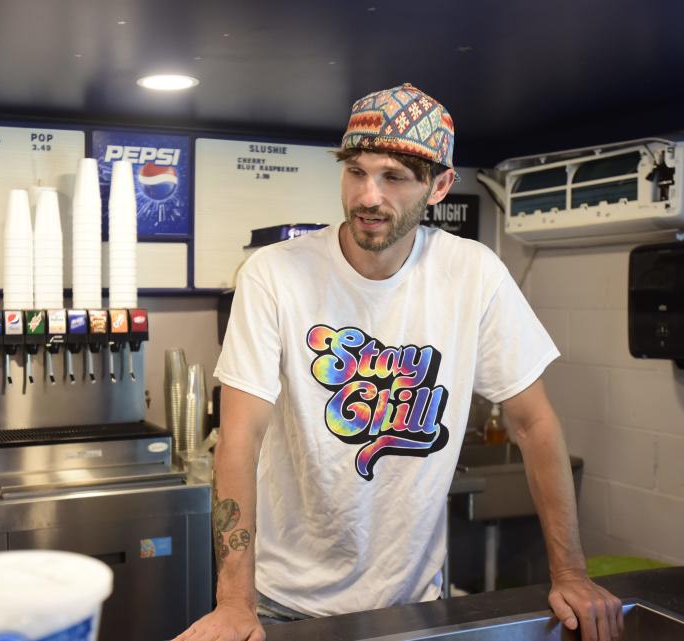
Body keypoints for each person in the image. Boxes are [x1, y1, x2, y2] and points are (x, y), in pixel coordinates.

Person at [173, 84, 624, 641]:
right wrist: (234, 601)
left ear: (438, 186)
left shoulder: (473, 274)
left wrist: (571, 574)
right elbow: (240, 435)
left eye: (393, 177)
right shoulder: (274, 274)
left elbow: (533, 423)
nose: (368, 196)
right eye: (356, 171)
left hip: (412, 607)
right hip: (280, 603)